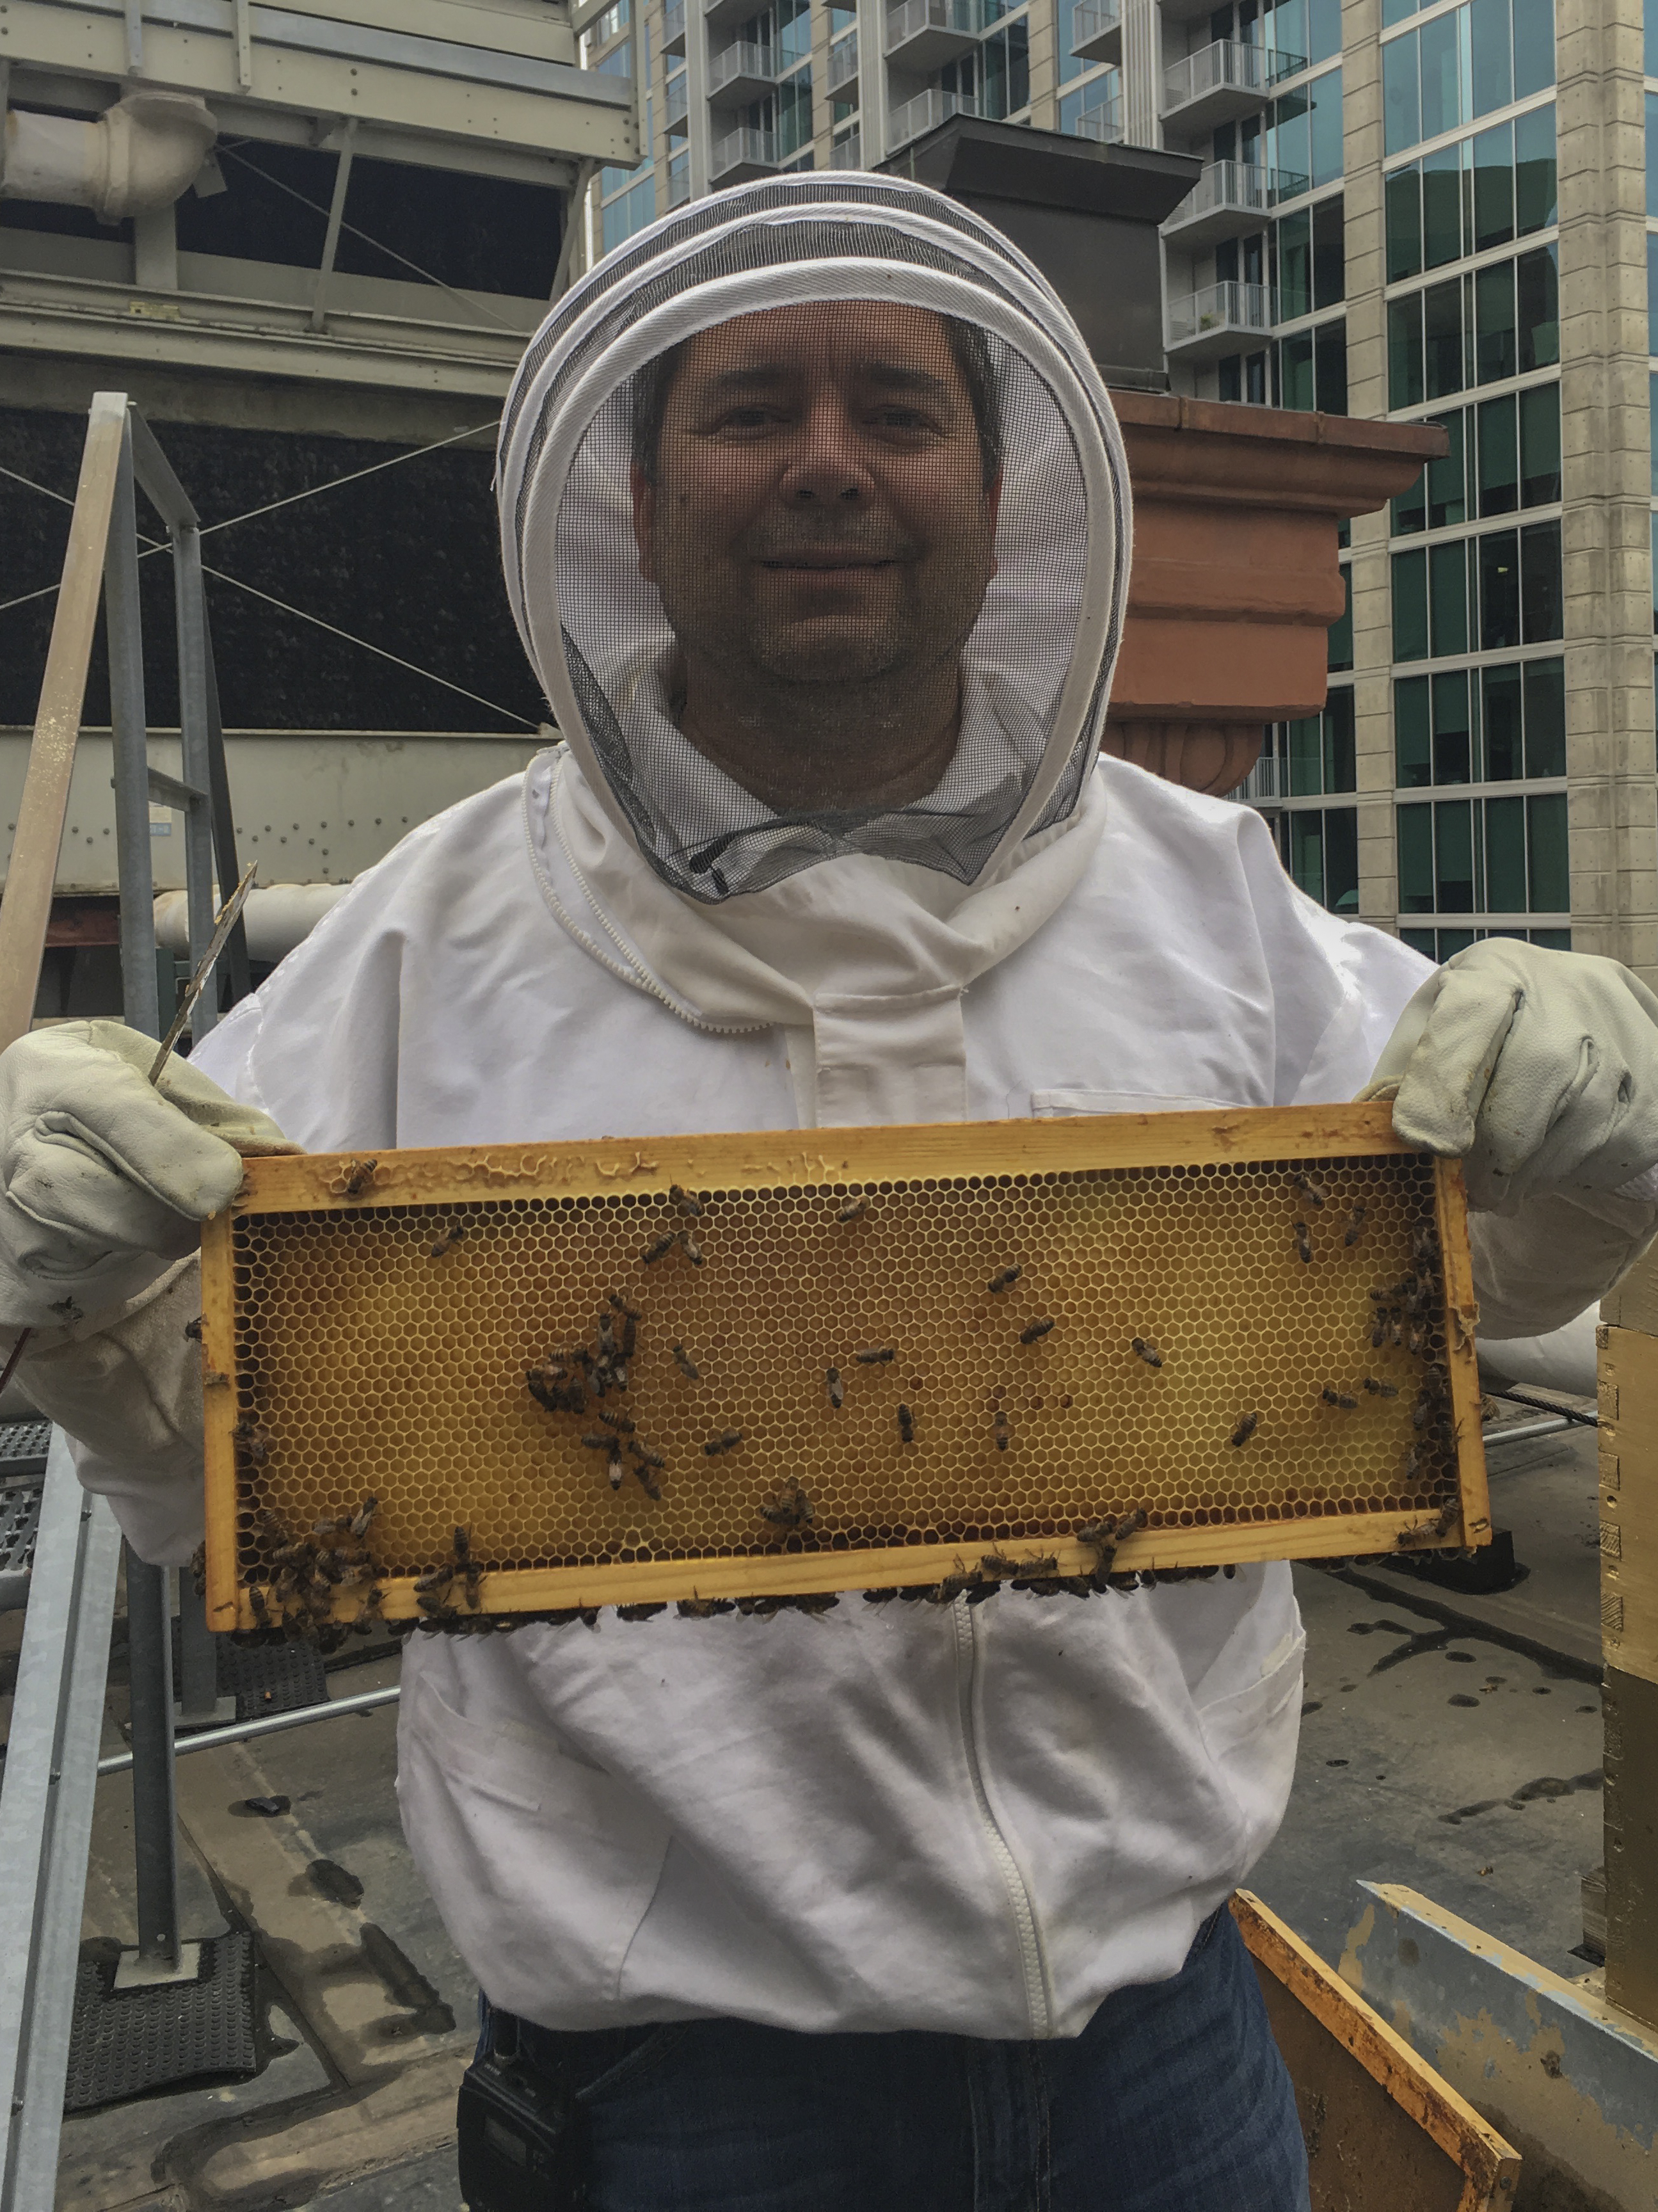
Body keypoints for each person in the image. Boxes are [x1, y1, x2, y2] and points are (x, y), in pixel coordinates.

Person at [4, 175, 1658, 2211]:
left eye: (896, 407)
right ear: (630, 482)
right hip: (692, 2108)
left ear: (996, 479)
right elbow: (203, 1475)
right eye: (748, 405)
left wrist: (1595, 1134)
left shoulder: (1207, 903)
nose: (827, 465)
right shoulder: (422, 950)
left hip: (1172, 2057)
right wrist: (81, 1299)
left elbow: (1470, 1271)